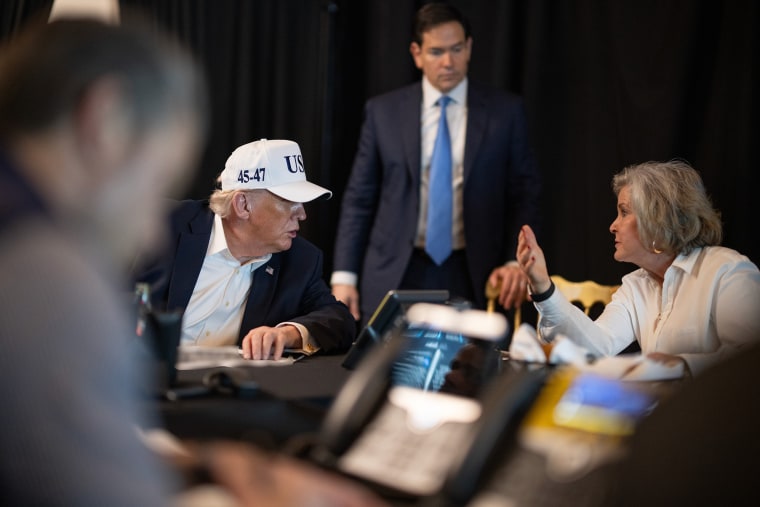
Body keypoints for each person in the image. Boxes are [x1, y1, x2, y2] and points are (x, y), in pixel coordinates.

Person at [0, 16, 388, 507]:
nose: (146, 229)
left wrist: (205, 464)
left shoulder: (31, 251)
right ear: (102, 119)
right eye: (154, 179)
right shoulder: (39, 271)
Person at [331, 2, 541, 325]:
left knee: (465, 373)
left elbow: (524, 194)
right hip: (394, 271)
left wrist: (515, 262)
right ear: (416, 54)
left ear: (469, 47)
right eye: (436, 52)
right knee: (384, 372)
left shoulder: (505, 113)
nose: (448, 62)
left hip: (473, 272)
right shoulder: (383, 112)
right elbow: (360, 197)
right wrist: (344, 276)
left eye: (456, 49)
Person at [517, 160, 760, 376]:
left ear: (657, 220)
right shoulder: (635, 286)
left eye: (624, 212)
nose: (613, 226)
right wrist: (543, 288)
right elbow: (596, 347)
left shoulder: (727, 271)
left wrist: (680, 365)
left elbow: (747, 361)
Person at [134, 138, 355, 360]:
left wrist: (287, 334)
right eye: (290, 201)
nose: (302, 214)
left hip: (222, 389)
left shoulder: (300, 260)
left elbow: (339, 320)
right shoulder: (162, 227)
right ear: (243, 205)